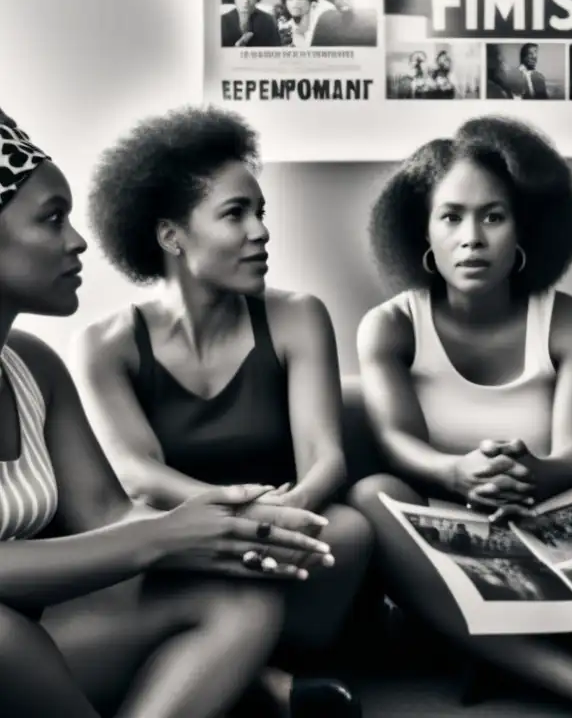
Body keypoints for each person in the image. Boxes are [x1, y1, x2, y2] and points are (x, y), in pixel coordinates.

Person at [0, 108, 340, 717]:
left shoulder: (33, 364)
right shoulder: (106, 343)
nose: (77, 240)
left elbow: (107, 512)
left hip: (42, 639)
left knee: (240, 603)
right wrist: (162, 535)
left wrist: (226, 529)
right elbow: (138, 520)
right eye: (53, 219)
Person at [348, 116, 572, 718]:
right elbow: (396, 440)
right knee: (372, 494)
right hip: (445, 538)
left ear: (525, 227)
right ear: (421, 228)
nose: (472, 237)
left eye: (493, 216)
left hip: (546, 516)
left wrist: (530, 474)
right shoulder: (389, 326)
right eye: (451, 217)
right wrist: (456, 474)